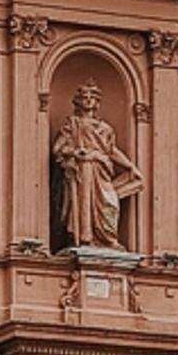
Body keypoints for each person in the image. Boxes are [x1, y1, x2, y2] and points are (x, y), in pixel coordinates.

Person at [53, 83, 141, 250]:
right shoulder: (73, 124)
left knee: (110, 202)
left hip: (102, 170)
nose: (88, 101)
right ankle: (86, 236)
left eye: (91, 98)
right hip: (83, 169)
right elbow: (58, 148)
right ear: (78, 102)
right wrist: (75, 152)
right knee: (85, 201)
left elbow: (111, 150)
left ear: (97, 103)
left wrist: (130, 166)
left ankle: (107, 237)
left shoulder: (105, 128)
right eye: (84, 98)